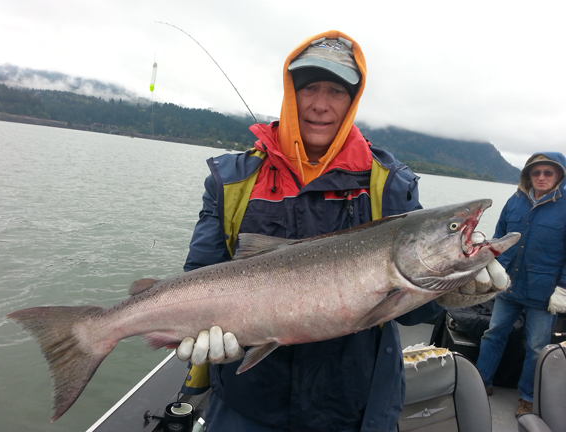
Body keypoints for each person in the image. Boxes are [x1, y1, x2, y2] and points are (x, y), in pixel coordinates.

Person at [178, 31, 507, 432]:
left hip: (355, 403)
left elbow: (413, 310)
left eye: (335, 91)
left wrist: (452, 290)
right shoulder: (231, 181)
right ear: (289, 92)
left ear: (352, 102)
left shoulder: (390, 184)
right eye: (309, 88)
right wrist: (202, 335)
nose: (320, 104)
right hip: (247, 402)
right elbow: (198, 275)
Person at [476, 152, 566, 417]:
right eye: (535, 172)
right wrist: (491, 268)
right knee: (493, 334)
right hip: (508, 286)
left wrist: (562, 288)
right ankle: (482, 381)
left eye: (548, 172)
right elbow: (499, 239)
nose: (541, 177)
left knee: (536, 347)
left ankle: (528, 396)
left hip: (544, 292)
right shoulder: (514, 201)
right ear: (527, 175)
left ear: (559, 175)